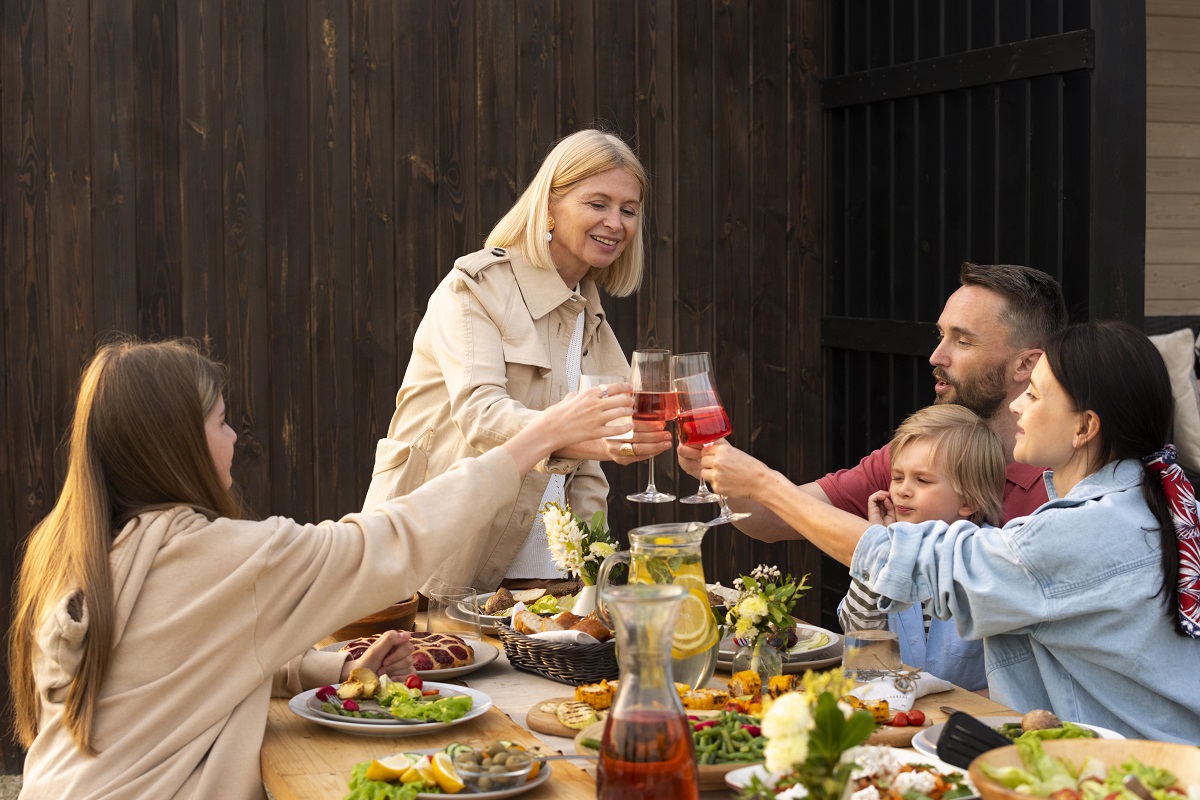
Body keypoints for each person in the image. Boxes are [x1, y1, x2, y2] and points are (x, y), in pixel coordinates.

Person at [8, 337, 633, 799]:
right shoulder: (219, 556)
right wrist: (533, 441)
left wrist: (333, 668)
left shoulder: (79, 542)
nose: (235, 440)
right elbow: (393, 538)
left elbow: (177, 662)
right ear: (179, 444)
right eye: (222, 422)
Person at [700, 321, 1200, 741]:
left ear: (1084, 427)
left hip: (1133, 772)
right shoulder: (1139, 504)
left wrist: (766, 484)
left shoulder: (1089, 530)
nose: (1017, 407)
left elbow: (909, 561)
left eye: (1034, 394)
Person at [362, 128, 671, 591]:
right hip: (435, 565)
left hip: (544, 574)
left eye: (629, 211)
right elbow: (481, 416)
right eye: (597, 203)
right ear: (549, 205)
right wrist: (583, 440)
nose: (616, 222)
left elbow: (589, 472)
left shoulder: (592, 320)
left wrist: (594, 573)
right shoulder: (475, 288)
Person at [678, 263, 1068, 539]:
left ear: (1025, 365)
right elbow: (775, 521)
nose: (936, 357)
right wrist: (720, 472)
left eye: (962, 341)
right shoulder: (918, 455)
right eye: (940, 336)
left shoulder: (1070, 481)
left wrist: (762, 482)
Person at [837, 404, 1006, 691]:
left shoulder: (992, 560)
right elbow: (858, 632)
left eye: (923, 480)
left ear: (969, 501)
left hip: (969, 721)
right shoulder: (890, 548)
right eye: (898, 477)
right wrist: (879, 543)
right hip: (891, 712)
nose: (902, 490)